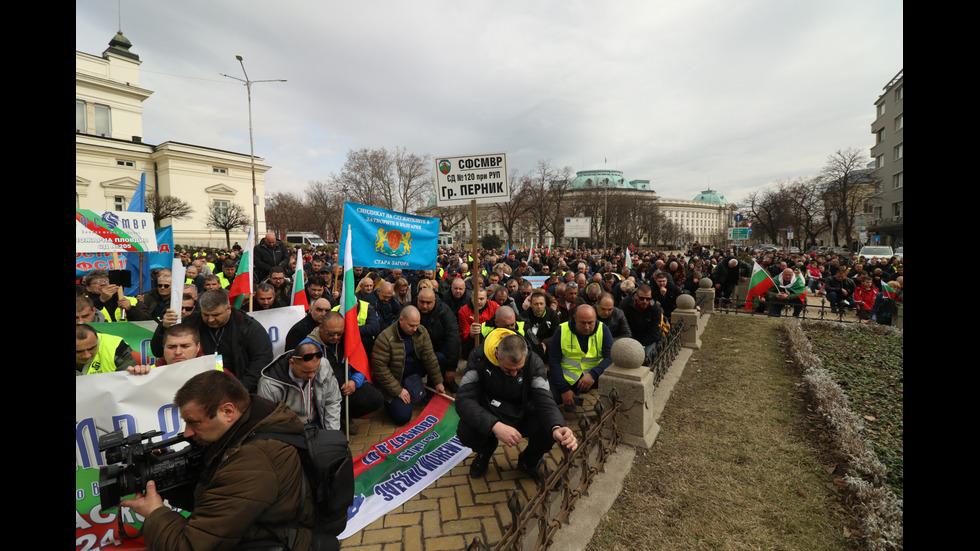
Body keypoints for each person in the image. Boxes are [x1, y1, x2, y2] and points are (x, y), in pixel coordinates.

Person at [120, 370, 316, 550]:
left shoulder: (254, 460)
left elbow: (189, 546)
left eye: (195, 422)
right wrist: (169, 482)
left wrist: (155, 513)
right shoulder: (249, 428)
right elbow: (217, 497)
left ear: (228, 412)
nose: (187, 432)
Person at [151, 289, 273, 393]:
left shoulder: (249, 327)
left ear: (228, 309)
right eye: (206, 315)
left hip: (239, 387)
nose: (210, 320)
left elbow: (261, 361)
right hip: (198, 388)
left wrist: (239, 389)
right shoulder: (192, 322)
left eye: (216, 315)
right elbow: (158, 352)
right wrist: (164, 327)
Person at [306, 311, 384, 435]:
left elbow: (360, 364)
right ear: (321, 328)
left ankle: (344, 416)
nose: (335, 337)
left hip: (346, 388)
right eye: (331, 334)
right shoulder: (308, 346)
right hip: (323, 394)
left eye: (339, 333)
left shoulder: (348, 340)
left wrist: (354, 381)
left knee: (375, 399)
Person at [371, 306, 445, 425]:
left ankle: (428, 397)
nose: (415, 329)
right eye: (411, 325)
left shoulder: (421, 331)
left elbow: (429, 357)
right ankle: (388, 401)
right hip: (396, 378)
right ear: (401, 320)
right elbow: (379, 370)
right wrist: (398, 390)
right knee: (402, 417)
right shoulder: (385, 338)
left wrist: (438, 382)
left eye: (417, 325)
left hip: (414, 371)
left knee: (439, 358)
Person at [258, 340, 343, 431]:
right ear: (292, 363)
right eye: (306, 371)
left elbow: (332, 401)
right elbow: (267, 421)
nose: (311, 375)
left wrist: (331, 434)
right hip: (287, 430)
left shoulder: (323, 365)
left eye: (315, 371)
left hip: (318, 423)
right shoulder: (268, 384)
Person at [548, 305, 613, 410]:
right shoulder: (562, 330)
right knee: (551, 399)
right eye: (582, 323)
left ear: (595, 318)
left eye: (590, 323)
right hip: (568, 378)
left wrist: (593, 374)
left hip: (595, 377)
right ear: (575, 319)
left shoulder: (603, 329)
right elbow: (553, 362)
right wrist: (564, 390)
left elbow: (610, 358)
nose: (587, 327)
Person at [416, 288, 462, 393]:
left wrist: (451, 367)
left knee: (440, 359)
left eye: (428, 303)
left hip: (438, 349)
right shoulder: (410, 309)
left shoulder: (445, 311)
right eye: (421, 302)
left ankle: (438, 385)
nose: (424, 306)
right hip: (417, 351)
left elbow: (453, 338)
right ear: (417, 299)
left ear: (435, 301)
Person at [620, 284, 665, 364]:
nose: (645, 301)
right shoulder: (625, 304)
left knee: (647, 358)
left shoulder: (655, 308)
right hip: (629, 337)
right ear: (636, 296)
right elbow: (621, 325)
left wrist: (640, 344)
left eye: (648, 299)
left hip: (647, 340)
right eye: (642, 298)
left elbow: (654, 333)